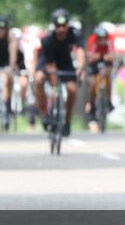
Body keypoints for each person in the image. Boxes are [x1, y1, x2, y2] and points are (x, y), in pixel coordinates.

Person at [33, 9, 86, 137]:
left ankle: (67, 120)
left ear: (68, 24)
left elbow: (80, 52)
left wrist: (80, 68)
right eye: (58, 26)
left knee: (72, 90)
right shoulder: (48, 40)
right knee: (39, 79)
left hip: (65, 62)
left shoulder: (75, 34)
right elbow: (51, 67)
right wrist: (55, 86)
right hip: (48, 62)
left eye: (64, 25)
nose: (61, 29)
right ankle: (45, 114)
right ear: (54, 26)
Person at [85, 25, 116, 125]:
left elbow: (113, 55)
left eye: (104, 38)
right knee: (92, 83)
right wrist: (95, 57)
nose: (102, 40)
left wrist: (107, 56)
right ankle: (91, 103)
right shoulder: (92, 40)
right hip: (94, 63)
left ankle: (109, 101)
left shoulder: (110, 40)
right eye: (100, 38)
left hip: (106, 61)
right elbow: (90, 56)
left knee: (108, 76)